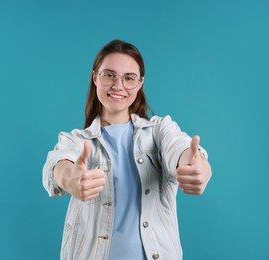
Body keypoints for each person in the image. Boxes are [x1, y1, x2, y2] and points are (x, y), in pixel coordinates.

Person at [42, 39, 212, 260]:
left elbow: (180, 148)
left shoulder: (159, 130)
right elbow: (57, 164)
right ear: (95, 77)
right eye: (109, 75)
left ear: (140, 84)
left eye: (129, 78)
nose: (118, 85)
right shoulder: (77, 139)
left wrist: (197, 165)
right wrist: (69, 178)